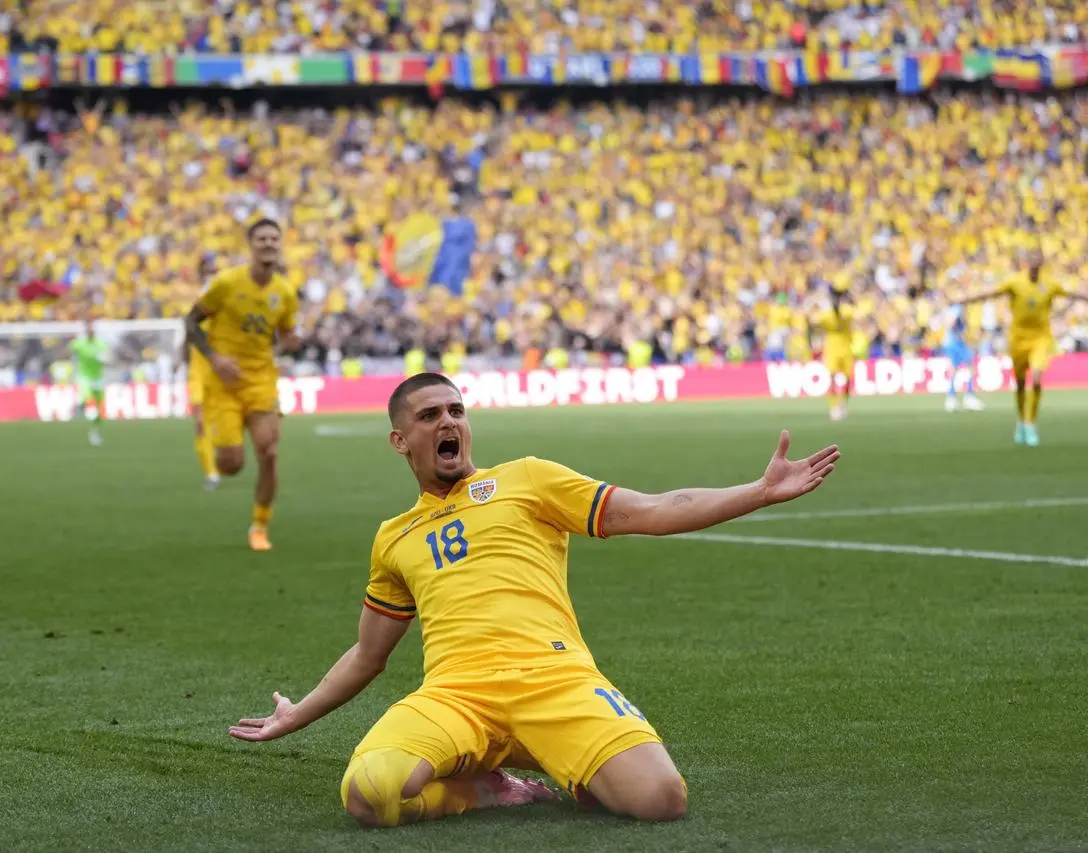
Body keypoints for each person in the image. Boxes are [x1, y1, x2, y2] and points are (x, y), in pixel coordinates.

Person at [229, 373, 841, 827]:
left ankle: (558, 759)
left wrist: (757, 492)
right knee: (370, 794)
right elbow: (367, 655)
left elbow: (650, 509)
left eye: (456, 410)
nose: (449, 422)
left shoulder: (527, 479)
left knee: (661, 800)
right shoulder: (394, 537)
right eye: (430, 415)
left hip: (555, 679)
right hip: (456, 694)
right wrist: (296, 714)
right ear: (400, 440)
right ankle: (492, 790)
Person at [184, 218, 301, 551]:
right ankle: (218, 440)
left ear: (280, 245)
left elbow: (286, 334)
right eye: (261, 238)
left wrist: (292, 340)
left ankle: (259, 527)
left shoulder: (285, 292)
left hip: (261, 379)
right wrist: (214, 357)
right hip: (222, 382)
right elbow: (191, 321)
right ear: (250, 245)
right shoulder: (226, 283)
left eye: (273, 239)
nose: (268, 243)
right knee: (231, 465)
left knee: (269, 451)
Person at [959, 250, 1088, 446]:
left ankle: (1031, 424)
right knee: (1020, 384)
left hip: (1041, 339)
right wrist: (964, 299)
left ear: (1042, 262)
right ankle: (1021, 420)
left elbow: (1074, 293)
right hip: (1018, 340)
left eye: (1038, 258)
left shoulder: (1050, 284)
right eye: (1032, 258)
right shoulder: (1015, 282)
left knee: (1036, 379)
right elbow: (991, 293)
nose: (1035, 262)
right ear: (1027, 262)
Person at [180, 340, 220, 490]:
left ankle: (217, 465)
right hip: (198, 378)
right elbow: (185, 350)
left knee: (219, 428)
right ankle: (211, 474)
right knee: (200, 425)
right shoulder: (195, 322)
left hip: (219, 379)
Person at [814, 285, 855, 421]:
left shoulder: (847, 311)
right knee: (831, 378)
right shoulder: (826, 314)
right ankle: (833, 406)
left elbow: (857, 315)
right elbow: (815, 321)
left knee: (848, 379)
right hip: (831, 349)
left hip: (846, 348)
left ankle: (843, 403)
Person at [70, 317, 111, 446]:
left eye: (92, 328)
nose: (90, 330)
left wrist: (105, 359)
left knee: (99, 410)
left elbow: (108, 357)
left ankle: (95, 431)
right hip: (84, 378)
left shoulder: (101, 344)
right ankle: (81, 405)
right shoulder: (79, 343)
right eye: (88, 328)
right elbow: (68, 350)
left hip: (98, 378)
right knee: (90, 401)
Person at [940, 303, 984, 413]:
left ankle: (952, 399)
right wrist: (958, 333)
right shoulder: (958, 308)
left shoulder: (952, 308)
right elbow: (950, 323)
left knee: (955, 369)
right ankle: (967, 397)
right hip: (956, 343)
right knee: (968, 367)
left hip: (951, 342)